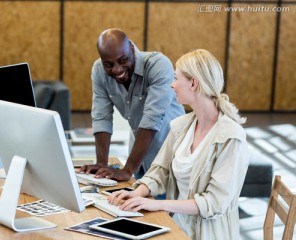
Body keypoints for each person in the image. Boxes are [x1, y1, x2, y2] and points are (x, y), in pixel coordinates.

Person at [108, 49, 250, 240]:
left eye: (176, 78)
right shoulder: (182, 126)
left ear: (193, 83)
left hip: (208, 234)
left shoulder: (231, 137)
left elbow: (214, 203)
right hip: (175, 226)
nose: (172, 85)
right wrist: (137, 192)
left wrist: (160, 204)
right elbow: (160, 171)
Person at [77, 28, 185, 181]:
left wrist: (127, 170)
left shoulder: (158, 65)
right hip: (138, 159)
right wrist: (102, 164)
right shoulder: (99, 70)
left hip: (170, 156)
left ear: (132, 49)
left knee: (161, 204)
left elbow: (151, 120)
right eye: (108, 64)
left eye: (123, 61)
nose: (117, 69)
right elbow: (101, 118)